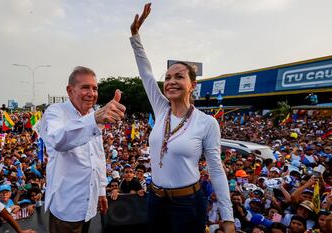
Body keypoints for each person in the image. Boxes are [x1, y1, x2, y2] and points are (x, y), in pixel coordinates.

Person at [129, 3, 234, 233]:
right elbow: (146, 73)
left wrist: (228, 218)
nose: (171, 81)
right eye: (167, 77)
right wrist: (136, 37)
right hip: (155, 200)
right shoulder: (161, 109)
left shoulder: (207, 123)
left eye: (179, 77)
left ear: (192, 86)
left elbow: (216, 170)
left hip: (187, 204)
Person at [41, 66, 126, 233]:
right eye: (85, 87)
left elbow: (98, 156)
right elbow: (58, 140)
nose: (92, 93)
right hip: (66, 206)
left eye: (95, 88)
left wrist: (101, 190)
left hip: (89, 202)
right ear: (70, 90)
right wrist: (94, 119)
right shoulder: (55, 112)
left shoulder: (92, 114)